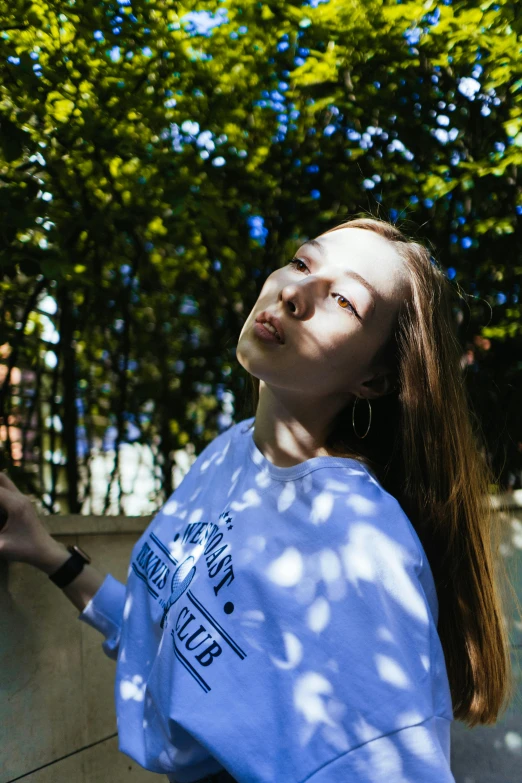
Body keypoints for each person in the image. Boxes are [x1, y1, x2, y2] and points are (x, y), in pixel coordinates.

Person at [0, 217, 515, 783]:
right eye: (301, 263)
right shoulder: (230, 450)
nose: (295, 293)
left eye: (344, 300)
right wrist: (48, 553)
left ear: (374, 380)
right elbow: (181, 642)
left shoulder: (359, 544)